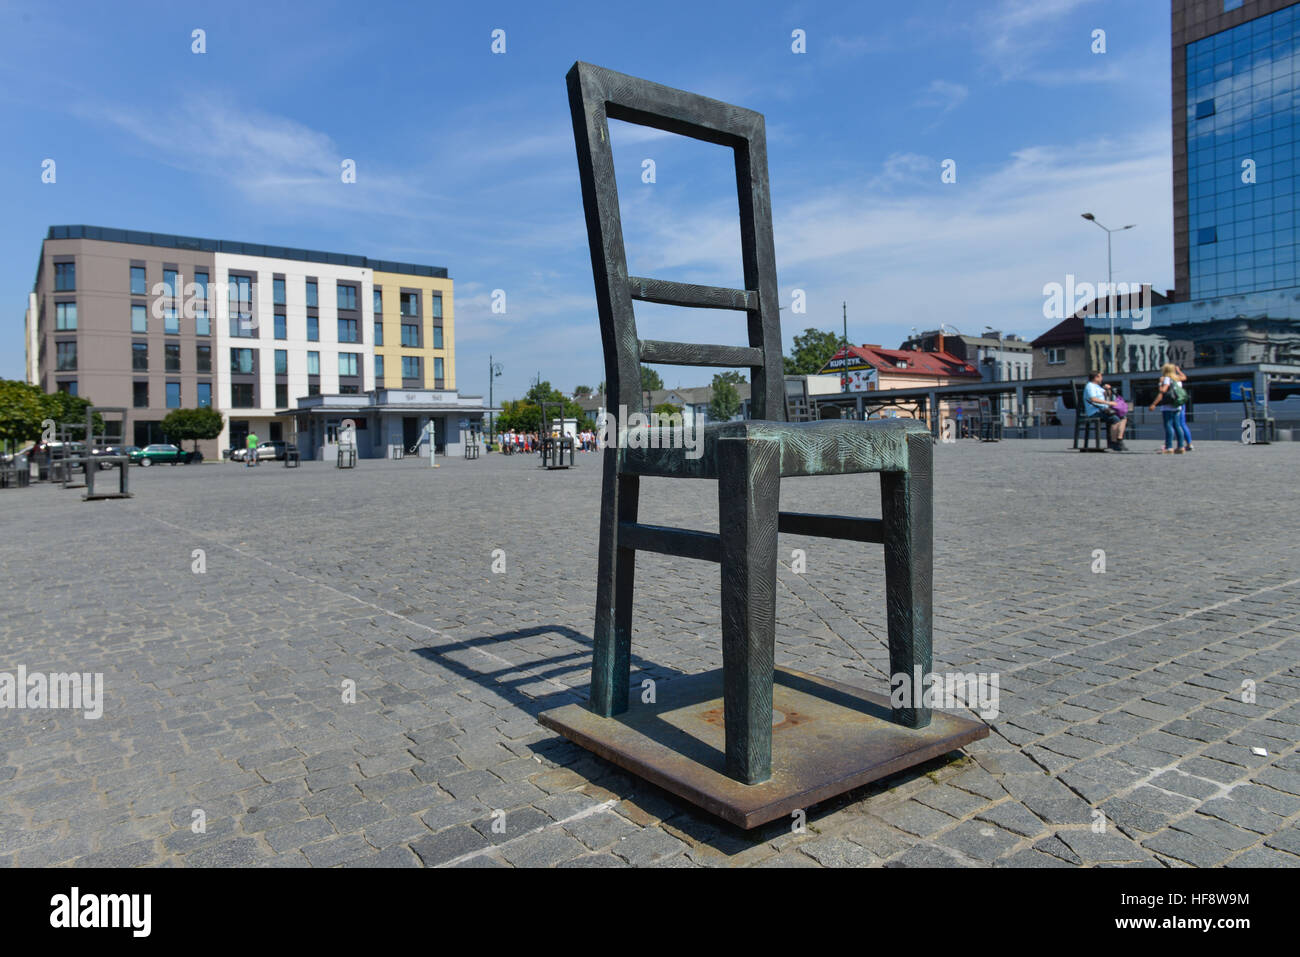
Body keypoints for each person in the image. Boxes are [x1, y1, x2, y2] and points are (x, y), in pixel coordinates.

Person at [1147, 362, 1193, 453]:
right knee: (1178, 426)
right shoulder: (1178, 379)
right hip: (1177, 406)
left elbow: (1162, 391)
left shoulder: (1167, 379)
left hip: (1168, 406)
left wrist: (1160, 383)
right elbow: (1184, 377)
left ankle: (1169, 447)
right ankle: (1180, 447)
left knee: (1168, 426)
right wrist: (1179, 371)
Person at [1081, 370, 1126, 450]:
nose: (1102, 378)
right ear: (1096, 377)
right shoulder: (1090, 386)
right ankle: (1113, 442)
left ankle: (1119, 439)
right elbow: (1093, 399)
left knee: (1123, 417)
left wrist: (1107, 389)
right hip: (1095, 411)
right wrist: (1108, 403)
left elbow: (1107, 395)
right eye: (1100, 376)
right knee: (1115, 419)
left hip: (1103, 410)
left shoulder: (1098, 387)